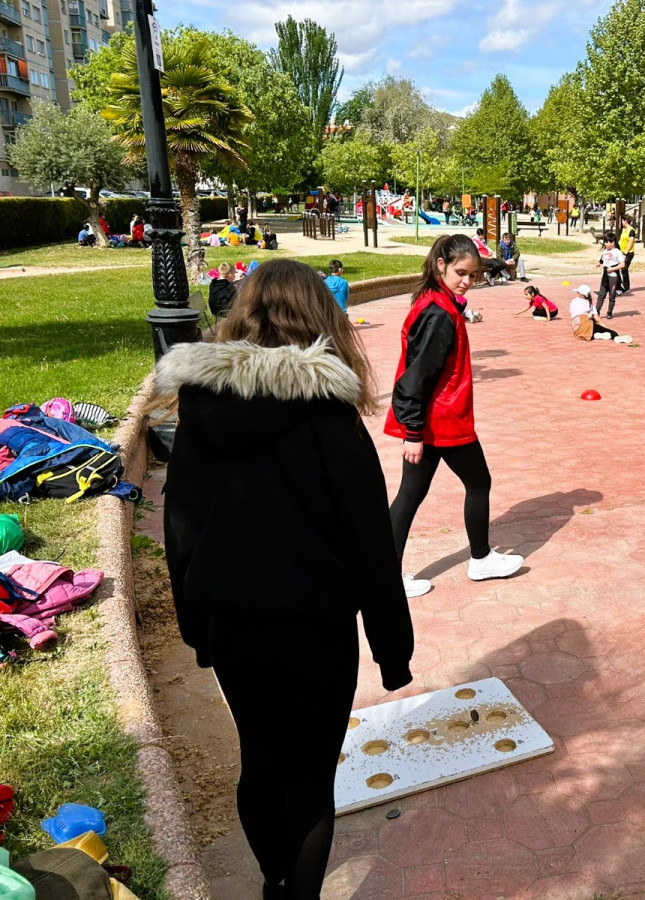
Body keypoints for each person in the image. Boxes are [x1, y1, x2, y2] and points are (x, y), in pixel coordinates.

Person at [157, 257, 414, 900]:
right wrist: (392, 650)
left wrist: (197, 630)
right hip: (315, 630)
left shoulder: (201, 408)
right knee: (309, 780)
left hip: (233, 624)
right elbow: (369, 545)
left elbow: (180, 525)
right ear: (321, 319)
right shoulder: (331, 419)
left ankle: (274, 878)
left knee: (261, 760)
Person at [385, 235, 525, 599]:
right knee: (479, 483)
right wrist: (413, 431)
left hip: (437, 418)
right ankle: (480, 559)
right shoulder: (438, 313)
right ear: (440, 265)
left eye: (474, 276)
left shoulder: (437, 302)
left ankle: (384, 572)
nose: (467, 281)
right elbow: (416, 376)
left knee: (410, 495)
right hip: (443, 420)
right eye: (461, 272)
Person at [595, 232, 625, 319]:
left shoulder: (617, 252)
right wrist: (599, 264)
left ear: (613, 242)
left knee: (612, 295)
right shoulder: (605, 251)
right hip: (605, 275)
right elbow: (602, 260)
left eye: (607, 242)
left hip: (613, 276)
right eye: (605, 241)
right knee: (601, 294)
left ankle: (609, 312)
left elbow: (622, 265)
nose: (605, 243)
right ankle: (597, 311)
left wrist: (612, 269)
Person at [618, 216, 636, 293]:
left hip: (629, 253)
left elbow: (631, 242)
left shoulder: (631, 230)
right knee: (620, 269)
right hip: (621, 252)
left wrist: (626, 252)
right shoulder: (623, 230)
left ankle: (626, 287)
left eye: (621, 221)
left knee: (624, 269)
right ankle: (621, 285)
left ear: (625, 221)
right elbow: (621, 240)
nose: (620, 222)